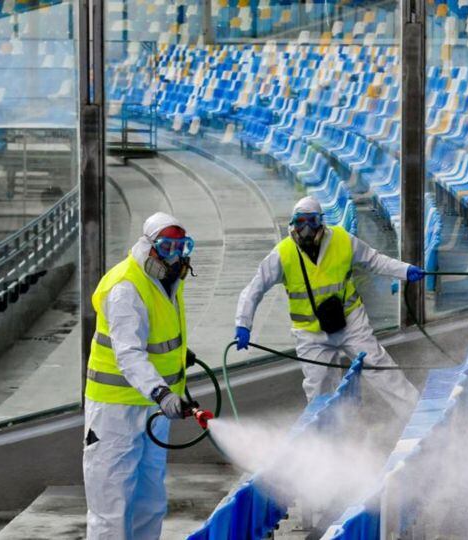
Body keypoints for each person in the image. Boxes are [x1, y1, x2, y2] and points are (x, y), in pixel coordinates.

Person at [234, 196, 423, 414]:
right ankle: (325, 437)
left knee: (379, 366)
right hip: (311, 334)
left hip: (351, 323)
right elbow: (254, 289)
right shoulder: (283, 253)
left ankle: (416, 412)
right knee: (320, 388)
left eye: (311, 222)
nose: (305, 229)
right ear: (292, 224)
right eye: (300, 222)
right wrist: (243, 324)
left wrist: (405, 270)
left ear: (321, 222)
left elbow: (375, 260)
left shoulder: (342, 240)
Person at [83, 212, 197, 539]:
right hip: (115, 411)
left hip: (153, 408)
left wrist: (177, 360)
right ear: (149, 247)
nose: (175, 255)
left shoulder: (168, 282)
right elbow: (128, 353)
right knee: (112, 506)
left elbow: (158, 337)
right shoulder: (126, 287)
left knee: (150, 500)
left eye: (181, 246)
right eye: (167, 246)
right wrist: (162, 392)